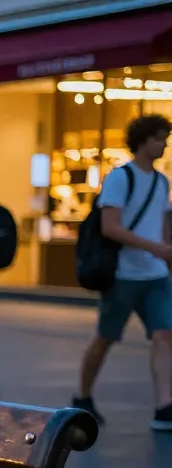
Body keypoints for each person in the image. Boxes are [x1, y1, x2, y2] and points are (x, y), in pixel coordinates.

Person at [72, 114, 172, 430]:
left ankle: (164, 406)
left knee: (164, 335)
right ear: (142, 141)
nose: (164, 144)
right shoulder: (120, 178)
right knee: (106, 337)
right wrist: (152, 248)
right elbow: (110, 228)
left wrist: (164, 255)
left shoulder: (162, 181)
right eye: (158, 138)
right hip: (123, 275)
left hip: (155, 275)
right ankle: (83, 396)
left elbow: (164, 229)